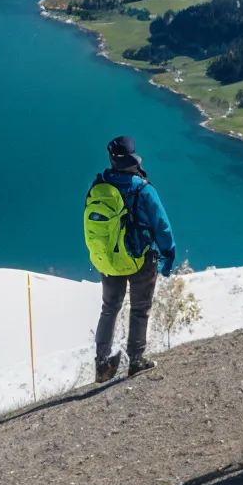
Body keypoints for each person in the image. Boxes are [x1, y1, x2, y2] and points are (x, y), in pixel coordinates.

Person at [83, 136, 179, 381]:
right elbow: (161, 225)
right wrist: (168, 256)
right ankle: (135, 361)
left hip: (108, 260)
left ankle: (102, 363)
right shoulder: (142, 189)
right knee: (139, 309)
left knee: (109, 308)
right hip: (139, 259)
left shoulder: (99, 186)